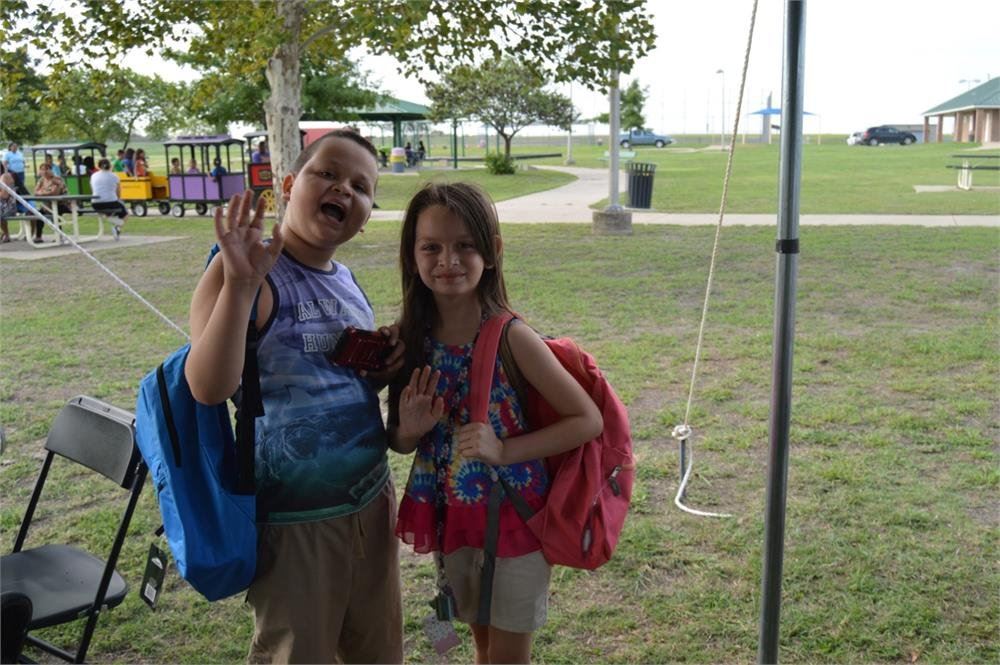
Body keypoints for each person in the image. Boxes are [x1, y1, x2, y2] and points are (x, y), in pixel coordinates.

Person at [185, 129, 405, 664]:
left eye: (360, 185)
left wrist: (381, 371)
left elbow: (335, 382)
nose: (342, 189)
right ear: (288, 185)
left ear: (368, 213)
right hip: (294, 519)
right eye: (326, 173)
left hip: (371, 502)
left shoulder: (347, 279)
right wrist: (239, 286)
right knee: (298, 653)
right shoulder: (246, 269)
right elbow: (208, 386)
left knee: (377, 650)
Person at [388, 182, 603, 664]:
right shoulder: (411, 339)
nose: (449, 260)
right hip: (453, 518)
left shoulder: (512, 336)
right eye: (431, 247)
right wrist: (410, 428)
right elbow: (400, 442)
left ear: (493, 251)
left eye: (466, 245)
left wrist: (504, 451)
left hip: (515, 521)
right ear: (412, 254)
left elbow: (586, 420)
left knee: (507, 655)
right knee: (482, 642)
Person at [90, 158, 128, 240]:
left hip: (95, 203)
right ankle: (117, 226)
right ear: (110, 166)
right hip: (111, 202)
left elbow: (93, 190)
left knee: (107, 213)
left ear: (98, 166)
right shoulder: (114, 176)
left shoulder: (93, 176)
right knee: (125, 214)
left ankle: (112, 222)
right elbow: (118, 193)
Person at [32, 162, 69, 242]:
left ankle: (59, 236)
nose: (44, 172)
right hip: (47, 206)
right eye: (42, 170)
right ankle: (38, 237)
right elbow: (35, 192)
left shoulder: (57, 179)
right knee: (39, 214)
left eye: (47, 169)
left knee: (53, 214)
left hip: (61, 205)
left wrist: (42, 192)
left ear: (51, 170)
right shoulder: (41, 180)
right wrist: (44, 192)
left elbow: (54, 193)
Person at [0, 172, 17, 243]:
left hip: (8, 206)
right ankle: (5, 234)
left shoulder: (5, 177)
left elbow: (4, 195)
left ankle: (6, 234)